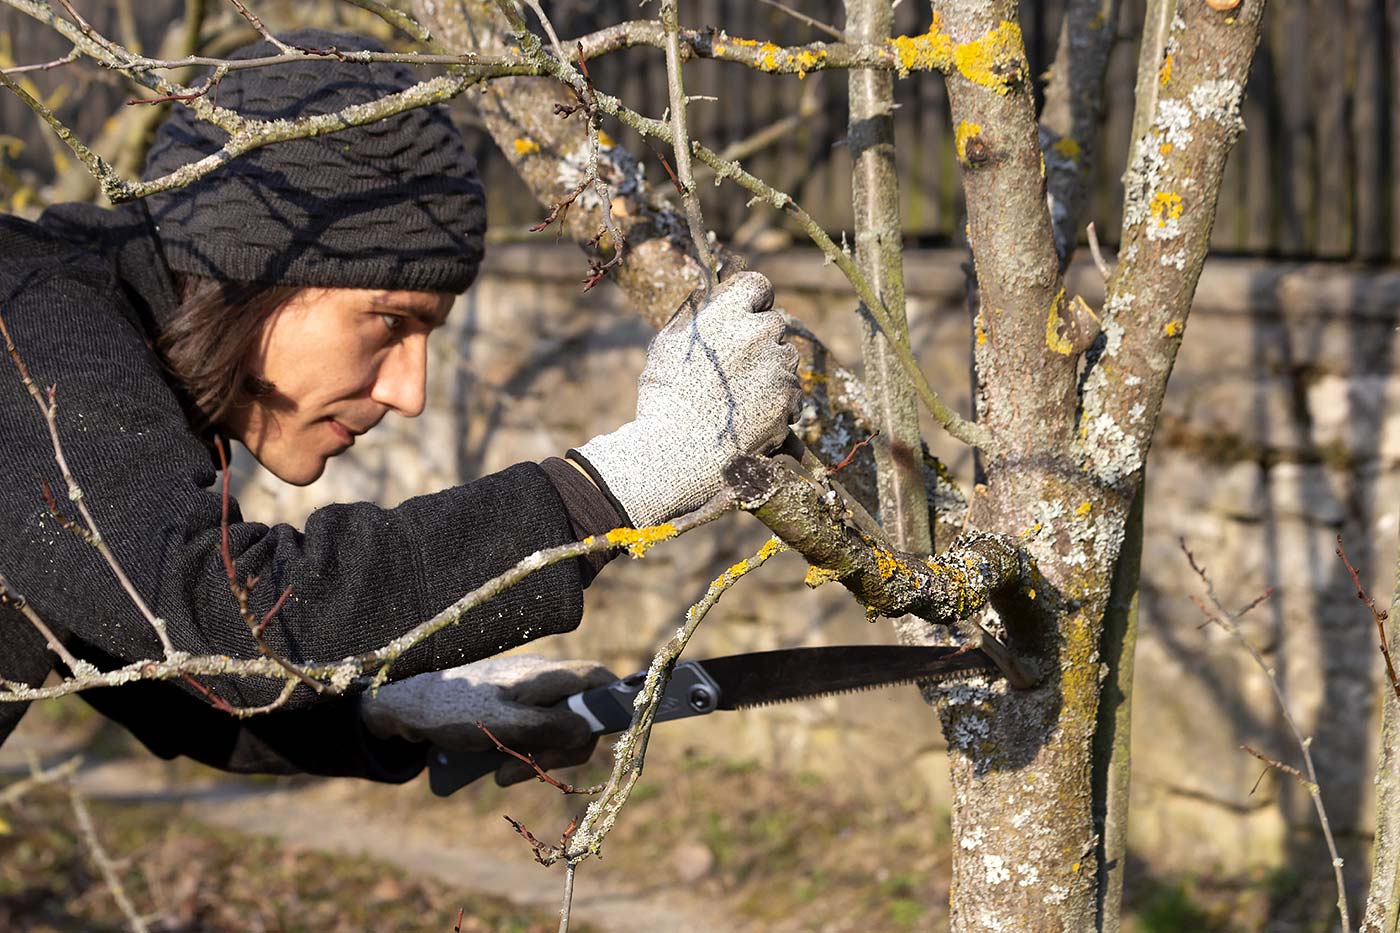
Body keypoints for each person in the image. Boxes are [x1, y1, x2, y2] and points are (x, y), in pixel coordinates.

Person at [0, 30, 800, 786]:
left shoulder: (77, 353)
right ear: (254, 272)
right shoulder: (27, 319)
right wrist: (617, 484)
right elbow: (225, 616)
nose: (409, 394)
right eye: (391, 322)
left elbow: (153, 661)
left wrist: (384, 708)